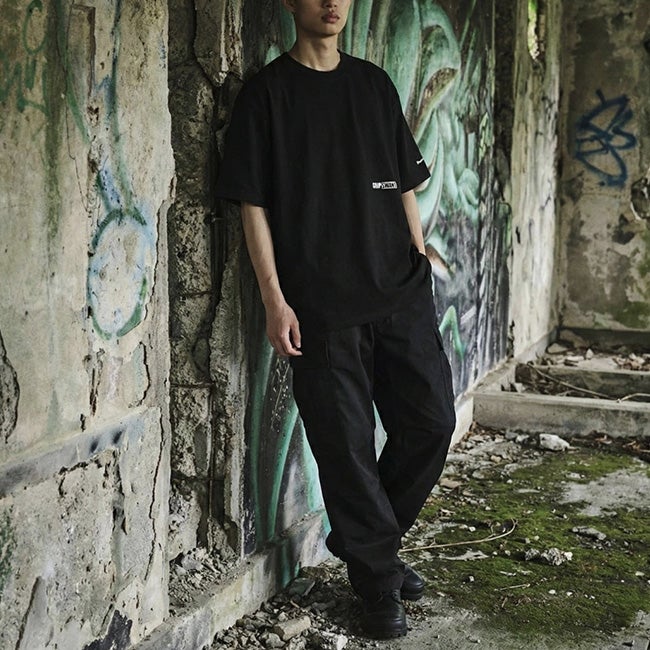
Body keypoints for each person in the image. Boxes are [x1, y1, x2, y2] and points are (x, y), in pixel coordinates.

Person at [215, 0, 456, 639]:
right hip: (321, 308)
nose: (331, 3)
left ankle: (367, 544)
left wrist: (417, 258)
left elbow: (404, 184)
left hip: (399, 294)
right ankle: (378, 584)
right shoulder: (267, 95)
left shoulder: (373, 85)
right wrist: (274, 299)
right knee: (346, 452)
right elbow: (252, 205)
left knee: (432, 422)